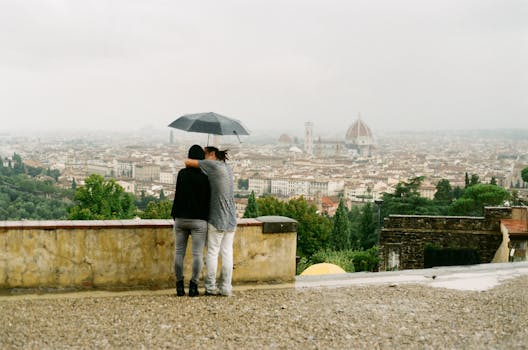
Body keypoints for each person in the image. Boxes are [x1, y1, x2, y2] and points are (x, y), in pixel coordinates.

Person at [184, 146, 236, 296]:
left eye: (205, 155)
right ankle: (226, 288)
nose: (203, 158)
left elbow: (187, 162)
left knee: (212, 252)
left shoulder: (212, 165)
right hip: (231, 218)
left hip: (217, 217)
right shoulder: (227, 168)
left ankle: (210, 287)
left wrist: (201, 163)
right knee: (227, 253)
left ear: (212, 154)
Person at [171, 145, 211, 297]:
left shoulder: (182, 174)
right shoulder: (206, 177)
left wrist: (174, 215)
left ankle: (179, 285)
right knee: (197, 255)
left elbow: (177, 195)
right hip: (199, 220)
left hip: (181, 218)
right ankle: (194, 286)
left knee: (179, 253)